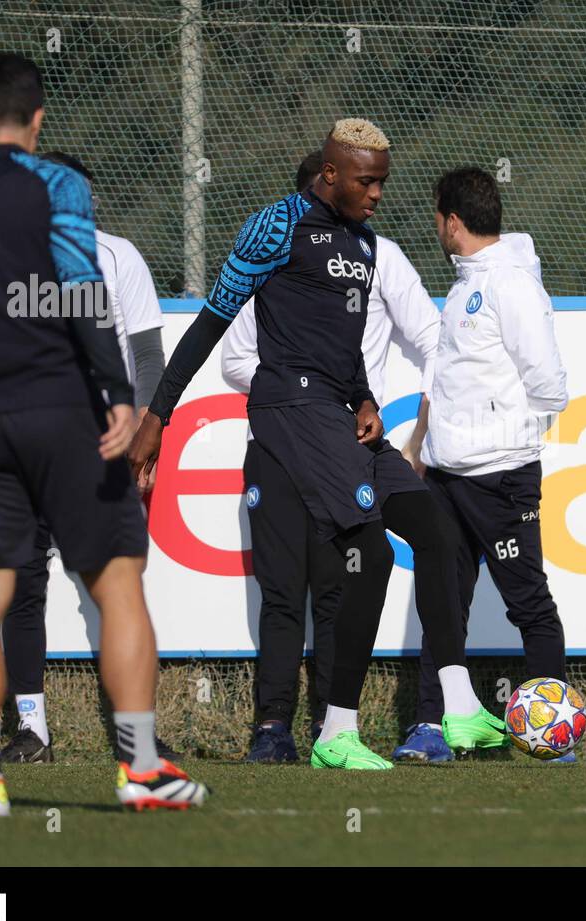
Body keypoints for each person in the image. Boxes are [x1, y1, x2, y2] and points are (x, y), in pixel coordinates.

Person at [130, 119, 504, 770]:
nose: (378, 194)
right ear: (330, 174)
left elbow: (347, 345)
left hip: (337, 414)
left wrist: (364, 398)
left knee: (435, 531)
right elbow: (211, 324)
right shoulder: (274, 226)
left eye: (384, 183)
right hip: (288, 409)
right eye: (367, 181)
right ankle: (331, 732)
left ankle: (454, 702)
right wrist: (158, 415)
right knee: (364, 555)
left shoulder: (364, 245)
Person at [0, 52, 207, 815]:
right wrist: (118, 399)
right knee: (119, 586)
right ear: (37, 122)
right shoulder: (60, 186)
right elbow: (82, 292)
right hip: (68, 416)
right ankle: (140, 771)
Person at [0, 150, 176, 765]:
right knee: (21, 584)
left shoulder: (119, 257)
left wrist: (145, 434)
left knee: (116, 586)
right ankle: (32, 729)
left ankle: (137, 733)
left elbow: (148, 358)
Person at [221, 150, 441, 762]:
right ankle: (272, 731)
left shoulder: (379, 255)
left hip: (351, 447)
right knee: (284, 593)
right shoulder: (279, 257)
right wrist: (295, 385)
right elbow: (234, 358)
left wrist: (411, 430)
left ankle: (334, 725)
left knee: (343, 584)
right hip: (282, 443)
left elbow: (431, 339)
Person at [392, 167, 570, 763]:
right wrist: (421, 447)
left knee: (529, 604)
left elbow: (548, 381)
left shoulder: (511, 282)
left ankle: (554, 734)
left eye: (436, 215)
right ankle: (432, 728)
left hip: (501, 477)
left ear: (454, 222)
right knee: (442, 602)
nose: (434, 226)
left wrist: (506, 431)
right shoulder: (465, 280)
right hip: (445, 476)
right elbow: (447, 378)